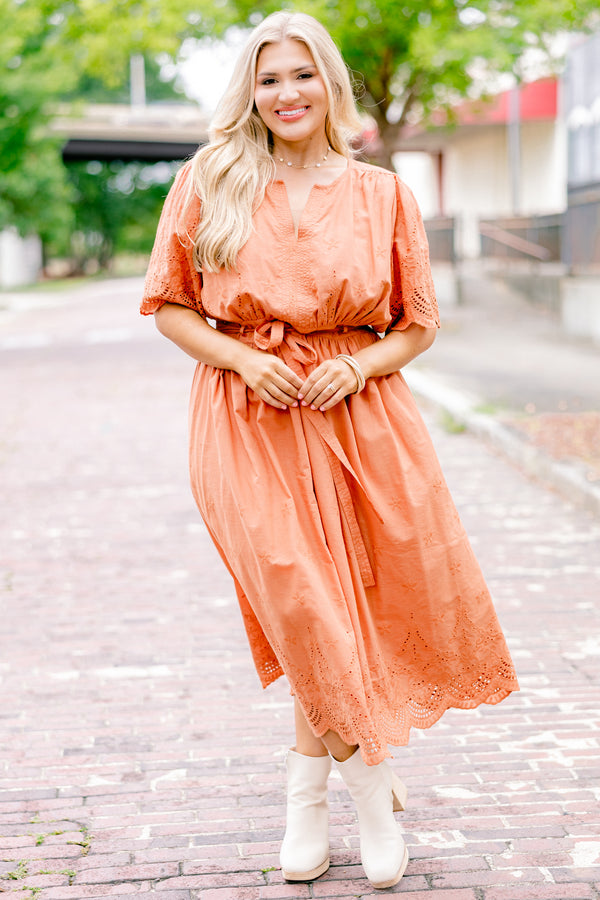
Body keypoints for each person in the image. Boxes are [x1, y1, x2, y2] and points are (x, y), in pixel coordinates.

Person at [141, 10, 519, 890]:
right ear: (250, 92)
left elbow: (417, 326)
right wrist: (244, 359)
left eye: (302, 75)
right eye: (269, 79)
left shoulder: (383, 193)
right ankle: (372, 793)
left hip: (361, 418)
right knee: (303, 603)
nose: (287, 94)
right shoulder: (209, 178)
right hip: (246, 419)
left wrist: (357, 367)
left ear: (330, 84)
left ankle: (304, 799)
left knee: (350, 611)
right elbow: (169, 306)